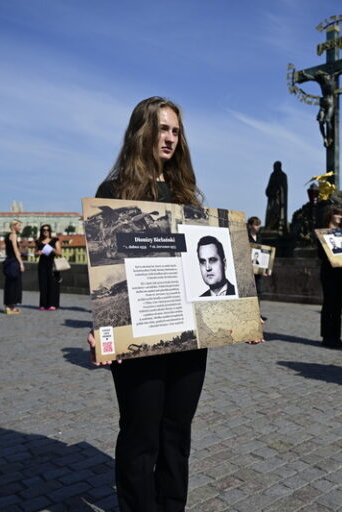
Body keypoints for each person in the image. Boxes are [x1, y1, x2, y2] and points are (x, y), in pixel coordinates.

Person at [87, 96, 262, 511]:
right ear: (141, 132)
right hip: (142, 332)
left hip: (189, 335)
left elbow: (204, 266)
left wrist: (242, 315)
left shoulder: (187, 195)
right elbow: (108, 272)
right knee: (140, 433)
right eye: (163, 129)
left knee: (176, 433)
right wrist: (103, 332)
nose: (170, 138)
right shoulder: (113, 192)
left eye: (176, 131)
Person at [318, 204, 342, 349]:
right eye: (337, 214)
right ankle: (327, 336)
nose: (340, 217)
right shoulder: (323, 233)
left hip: (341, 271)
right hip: (329, 271)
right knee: (329, 303)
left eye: (341, 214)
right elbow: (320, 254)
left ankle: (337, 336)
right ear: (330, 215)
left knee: (338, 305)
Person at [35, 224, 62, 310]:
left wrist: (52, 249)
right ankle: (43, 304)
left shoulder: (55, 240)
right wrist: (38, 253)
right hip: (42, 264)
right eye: (44, 230)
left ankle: (53, 304)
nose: (45, 231)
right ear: (41, 231)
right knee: (43, 284)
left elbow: (59, 253)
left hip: (52, 264)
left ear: (50, 231)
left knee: (53, 284)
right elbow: (35, 254)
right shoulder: (38, 241)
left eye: (47, 230)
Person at [3, 220, 24, 314]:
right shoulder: (14, 235)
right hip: (14, 262)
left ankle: (8, 306)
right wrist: (21, 263)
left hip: (8, 261)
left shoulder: (7, 236)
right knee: (14, 284)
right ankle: (10, 307)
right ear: (13, 226)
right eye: (19, 225)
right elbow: (16, 250)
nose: (20, 227)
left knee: (9, 284)